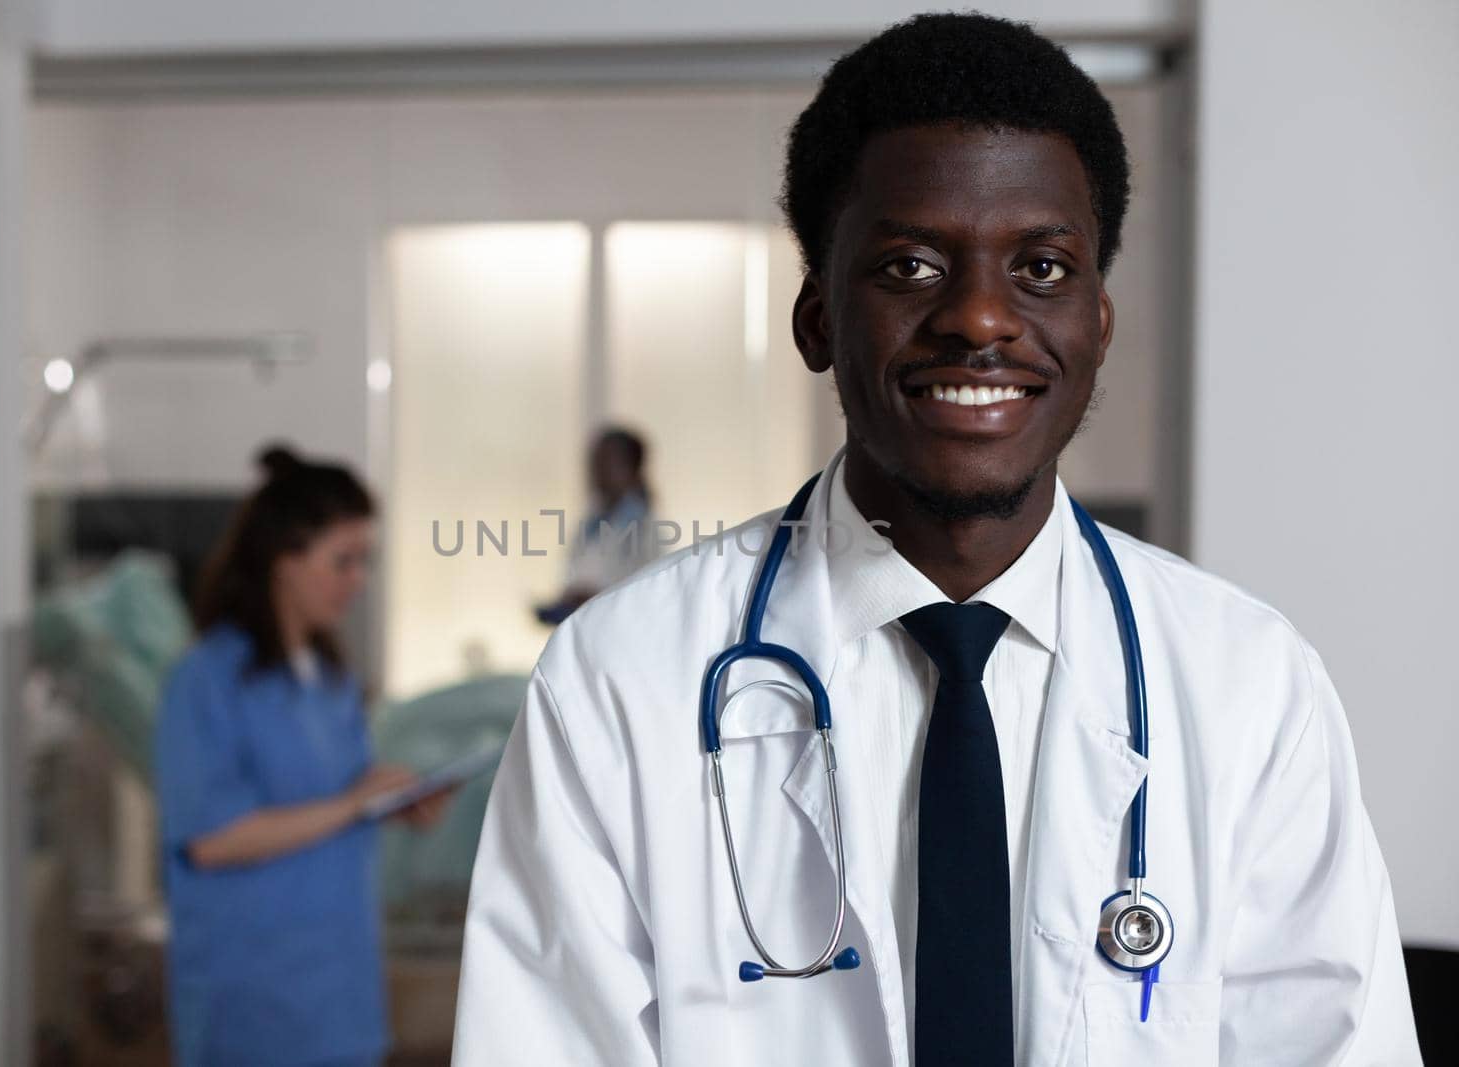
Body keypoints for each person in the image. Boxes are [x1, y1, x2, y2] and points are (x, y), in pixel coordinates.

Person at [452, 13, 1420, 1066]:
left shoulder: (1248, 684)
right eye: (910, 265)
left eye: (1041, 268)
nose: (979, 318)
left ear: (1099, 320)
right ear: (817, 318)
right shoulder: (621, 677)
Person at [155, 445, 449, 1067]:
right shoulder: (207, 680)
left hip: (338, 994)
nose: (357, 580)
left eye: (363, 561)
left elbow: (331, 801)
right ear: (282, 560)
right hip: (256, 1000)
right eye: (341, 561)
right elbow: (212, 838)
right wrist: (351, 805)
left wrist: (387, 800)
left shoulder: (328, 678)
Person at [534, 426, 655, 623]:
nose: (597, 472)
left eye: (606, 462)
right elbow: (578, 569)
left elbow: (645, 589)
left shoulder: (646, 524)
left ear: (631, 467)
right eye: (595, 464)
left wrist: (594, 597)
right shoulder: (594, 518)